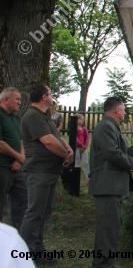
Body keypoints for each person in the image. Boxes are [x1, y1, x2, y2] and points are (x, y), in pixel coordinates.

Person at [89, 97, 133, 268]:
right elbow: (113, 154)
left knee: (110, 225)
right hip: (107, 185)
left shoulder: (111, 126)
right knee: (107, 227)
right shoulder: (106, 126)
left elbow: (119, 150)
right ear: (117, 110)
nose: (125, 112)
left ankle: (105, 262)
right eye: (124, 109)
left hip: (111, 185)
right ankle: (103, 264)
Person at [19, 84, 73, 262]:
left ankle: (38, 252)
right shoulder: (33, 116)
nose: (52, 96)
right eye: (50, 93)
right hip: (38, 170)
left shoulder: (44, 117)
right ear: (43, 97)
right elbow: (49, 142)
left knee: (45, 211)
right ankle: (24, 255)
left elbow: (57, 138)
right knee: (34, 212)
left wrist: (68, 149)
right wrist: (66, 156)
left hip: (49, 171)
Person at [0, 88, 27, 232]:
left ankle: (18, 236)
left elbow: (20, 140)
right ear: (6, 99)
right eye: (17, 99)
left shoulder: (14, 118)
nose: (20, 102)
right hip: (2, 167)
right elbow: (0, 144)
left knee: (23, 199)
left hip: (16, 167)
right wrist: (18, 157)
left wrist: (19, 159)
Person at [75, 113, 90, 184]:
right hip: (77, 147)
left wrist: (85, 146)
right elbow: (76, 138)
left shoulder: (84, 129)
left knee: (85, 162)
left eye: (83, 119)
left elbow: (87, 138)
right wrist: (81, 145)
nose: (82, 121)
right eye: (81, 119)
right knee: (76, 163)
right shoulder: (74, 129)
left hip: (83, 148)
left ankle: (88, 178)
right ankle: (76, 177)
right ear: (76, 119)